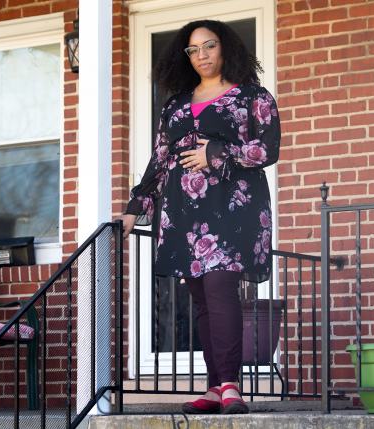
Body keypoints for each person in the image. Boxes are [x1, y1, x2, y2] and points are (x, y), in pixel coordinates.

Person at [115, 19, 280, 415]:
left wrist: (215, 154)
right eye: (193, 50)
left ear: (226, 48)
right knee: (202, 299)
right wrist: (134, 210)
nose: (202, 55)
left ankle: (230, 386)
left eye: (209, 46)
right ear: (185, 56)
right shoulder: (173, 104)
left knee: (222, 289)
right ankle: (213, 386)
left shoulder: (252, 97)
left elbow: (267, 149)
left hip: (233, 208)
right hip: (183, 213)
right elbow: (159, 161)